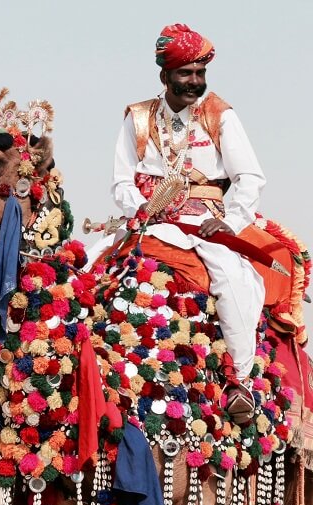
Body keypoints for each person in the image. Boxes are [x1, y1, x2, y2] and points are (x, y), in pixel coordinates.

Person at [110, 23, 265, 423]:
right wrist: (143, 208)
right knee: (95, 270)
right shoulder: (138, 118)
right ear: (165, 76)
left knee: (233, 280)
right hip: (151, 222)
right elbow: (122, 181)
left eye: (200, 73)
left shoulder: (220, 115)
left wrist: (230, 221)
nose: (194, 82)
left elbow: (248, 177)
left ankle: (240, 382)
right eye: (185, 74)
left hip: (206, 225)